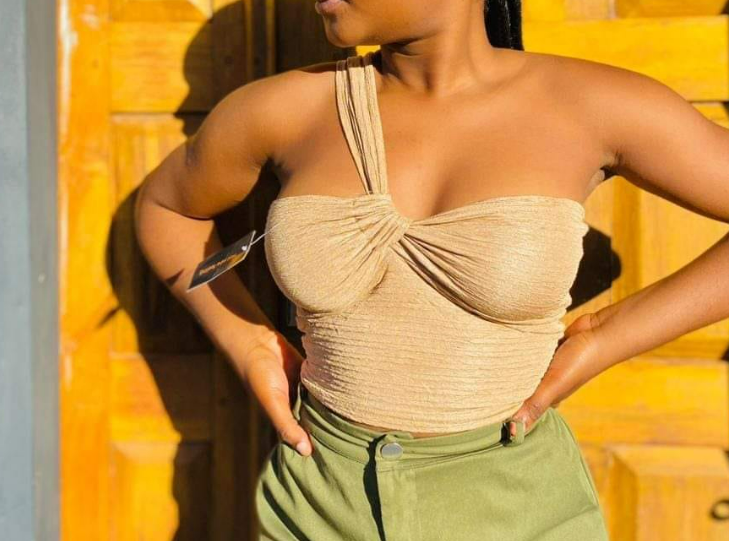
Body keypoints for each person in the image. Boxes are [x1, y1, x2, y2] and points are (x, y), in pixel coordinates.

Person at [134, 0, 729, 539]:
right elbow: (166, 209)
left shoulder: (592, 106)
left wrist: (605, 336)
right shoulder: (285, 111)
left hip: (519, 507)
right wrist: (248, 342)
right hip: (316, 504)